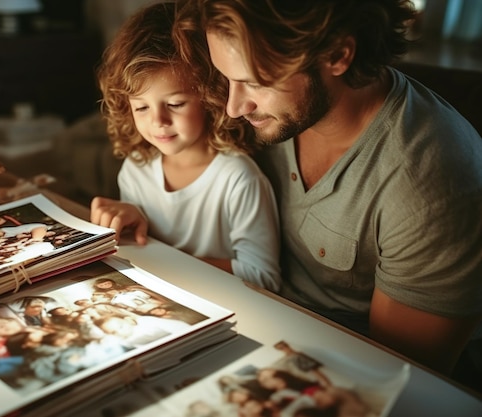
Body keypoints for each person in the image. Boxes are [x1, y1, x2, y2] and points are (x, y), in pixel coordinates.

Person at [172, 0, 482, 387]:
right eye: (228, 78)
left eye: (255, 81)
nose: (234, 106)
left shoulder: (432, 184)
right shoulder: (275, 114)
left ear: (337, 55)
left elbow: (396, 378)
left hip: (335, 374)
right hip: (251, 315)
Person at [88, 1, 282, 292]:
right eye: (141, 107)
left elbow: (264, 277)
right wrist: (129, 224)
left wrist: (171, 262)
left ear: (211, 96)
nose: (158, 121)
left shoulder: (238, 178)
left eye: (175, 104)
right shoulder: (135, 169)